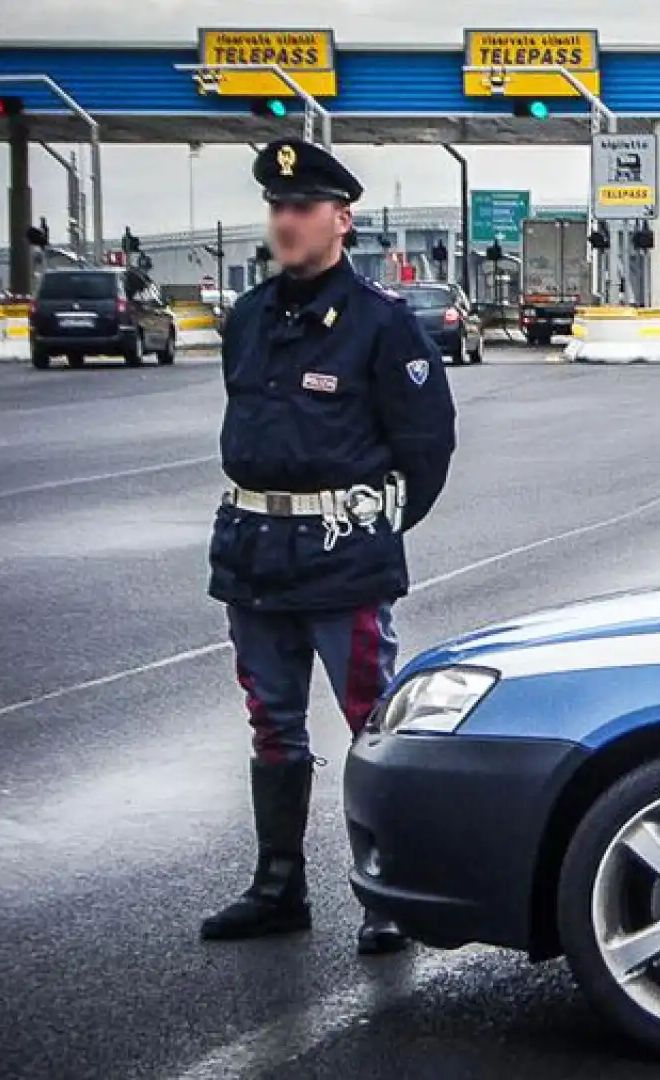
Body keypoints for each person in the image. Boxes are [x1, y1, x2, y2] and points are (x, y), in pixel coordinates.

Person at [200, 137, 458, 955]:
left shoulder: (380, 325)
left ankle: (387, 892)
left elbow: (427, 448)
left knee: (370, 726)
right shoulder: (248, 317)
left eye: (302, 208)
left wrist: (366, 525)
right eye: (277, 207)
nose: (286, 220)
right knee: (271, 726)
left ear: (340, 221)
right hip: (253, 555)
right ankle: (278, 886)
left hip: (340, 559)